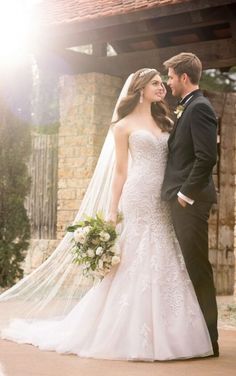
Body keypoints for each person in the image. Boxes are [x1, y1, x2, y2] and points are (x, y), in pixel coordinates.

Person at [0, 68, 214, 361]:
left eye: (162, 83)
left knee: (166, 252)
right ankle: (127, 332)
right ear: (140, 89)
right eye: (155, 83)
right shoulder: (123, 126)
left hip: (164, 197)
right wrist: (112, 212)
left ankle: (174, 330)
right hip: (138, 195)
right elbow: (121, 172)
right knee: (137, 255)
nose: (162, 87)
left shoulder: (166, 119)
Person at [161, 53, 219, 357]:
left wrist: (185, 194)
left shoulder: (200, 108)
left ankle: (210, 339)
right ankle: (196, 334)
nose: (168, 82)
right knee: (188, 268)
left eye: (170, 76)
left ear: (184, 77)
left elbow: (207, 156)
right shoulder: (187, 107)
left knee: (197, 268)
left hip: (190, 203)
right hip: (181, 200)